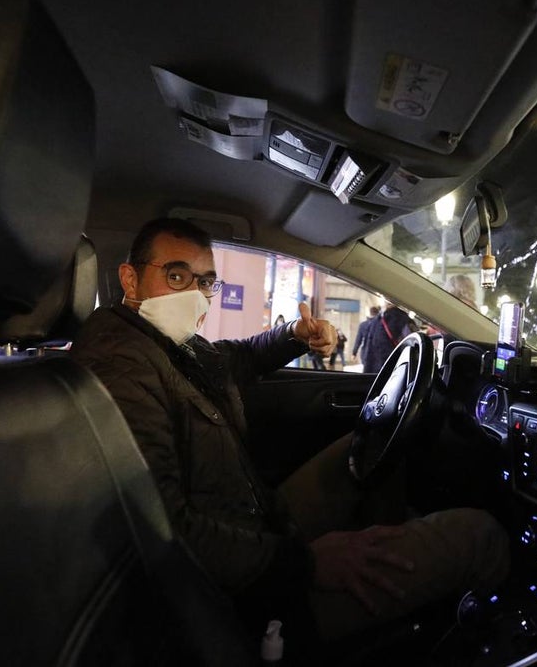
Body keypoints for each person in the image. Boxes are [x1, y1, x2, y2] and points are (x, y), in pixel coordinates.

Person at [70, 218, 509, 647]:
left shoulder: (164, 343)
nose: (195, 294)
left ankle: (383, 581)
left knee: (364, 452)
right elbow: (163, 529)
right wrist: (309, 564)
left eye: (205, 281)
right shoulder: (119, 362)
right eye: (176, 275)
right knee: (479, 535)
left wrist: (295, 335)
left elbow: (238, 358)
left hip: (256, 524)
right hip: (237, 598)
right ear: (130, 279)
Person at [363, 301, 415, 374]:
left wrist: (366, 371)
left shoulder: (376, 321)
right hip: (397, 369)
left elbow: (369, 350)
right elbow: (412, 344)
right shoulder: (405, 320)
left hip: (376, 370)